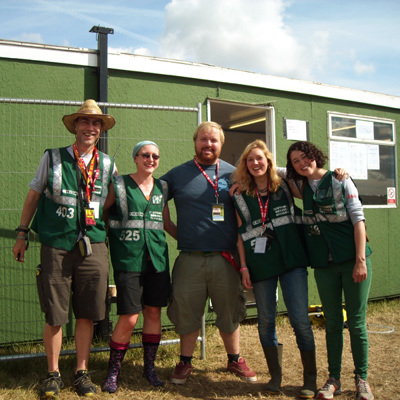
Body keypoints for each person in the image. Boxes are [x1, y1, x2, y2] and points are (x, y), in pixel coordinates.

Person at [12, 99, 117, 398]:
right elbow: (33, 195)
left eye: (96, 123)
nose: (90, 127)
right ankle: (53, 373)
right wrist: (22, 234)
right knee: (55, 314)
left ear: (100, 129)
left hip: (93, 245)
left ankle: (81, 372)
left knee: (86, 312)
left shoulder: (108, 163)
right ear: (74, 126)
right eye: (84, 121)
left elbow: (113, 196)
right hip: (56, 244)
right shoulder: (53, 157)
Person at [161, 121, 256, 385]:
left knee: (229, 310)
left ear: (221, 144)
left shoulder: (235, 173)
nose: (208, 144)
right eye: (203, 139)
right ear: (195, 142)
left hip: (225, 258)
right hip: (189, 259)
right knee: (187, 311)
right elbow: (151, 193)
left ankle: (234, 359)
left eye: (213, 140)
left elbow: (265, 180)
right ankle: (185, 362)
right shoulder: (178, 174)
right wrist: (170, 227)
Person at [286, 141, 374, 400]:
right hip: (324, 265)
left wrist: (360, 260)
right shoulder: (301, 186)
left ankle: (362, 380)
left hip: (352, 260)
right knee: (333, 323)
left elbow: (359, 221)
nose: (302, 163)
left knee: (356, 323)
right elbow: (270, 169)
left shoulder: (340, 180)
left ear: (315, 156)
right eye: (296, 161)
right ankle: (333, 378)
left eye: (305, 157)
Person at [231, 139, 316, 398]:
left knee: (300, 319)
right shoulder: (240, 195)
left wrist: (337, 174)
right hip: (260, 264)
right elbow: (240, 235)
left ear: (268, 161)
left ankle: (309, 380)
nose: (255, 163)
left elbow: (311, 181)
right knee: (266, 320)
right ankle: (275, 376)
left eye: (260, 158)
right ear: (245, 165)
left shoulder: (286, 185)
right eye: (250, 159)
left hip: (292, 261)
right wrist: (243, 267)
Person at [101, 141, 176, 393]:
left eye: (155, 156)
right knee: (130, 317)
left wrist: (191, 240)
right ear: (136, 158)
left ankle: (149, 368)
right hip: (128, 260)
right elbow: (101, 214)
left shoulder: (163, 188)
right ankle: (113, 372)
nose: (151, 159)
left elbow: (166, 223)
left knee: (153, 313)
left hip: (157, 260)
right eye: (146, 155)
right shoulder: (119, 184)